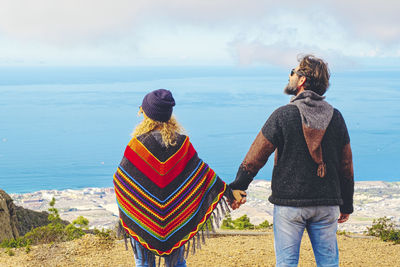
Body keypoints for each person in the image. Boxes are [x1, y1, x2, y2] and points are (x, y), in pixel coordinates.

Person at [230, 55, 354, 267]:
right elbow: (346, 166)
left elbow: (256, 156)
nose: (290, 76)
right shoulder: (336, 117)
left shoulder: (283, 115)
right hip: (327, 203)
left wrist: (238, 187)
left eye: (293, 72)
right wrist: (347, 204)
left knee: (286, 263)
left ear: (302, 80)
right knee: (329, 263)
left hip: (290, 204)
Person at [113, 89, 244, 267]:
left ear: (147, 115)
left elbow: (121, 180)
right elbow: (204, 176)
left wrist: (136, 205)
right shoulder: (182, 144)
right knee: (177, 263)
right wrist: (228, 192)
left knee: (143, 263)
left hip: (143, 218)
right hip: (176, 217)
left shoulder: (137, 146)